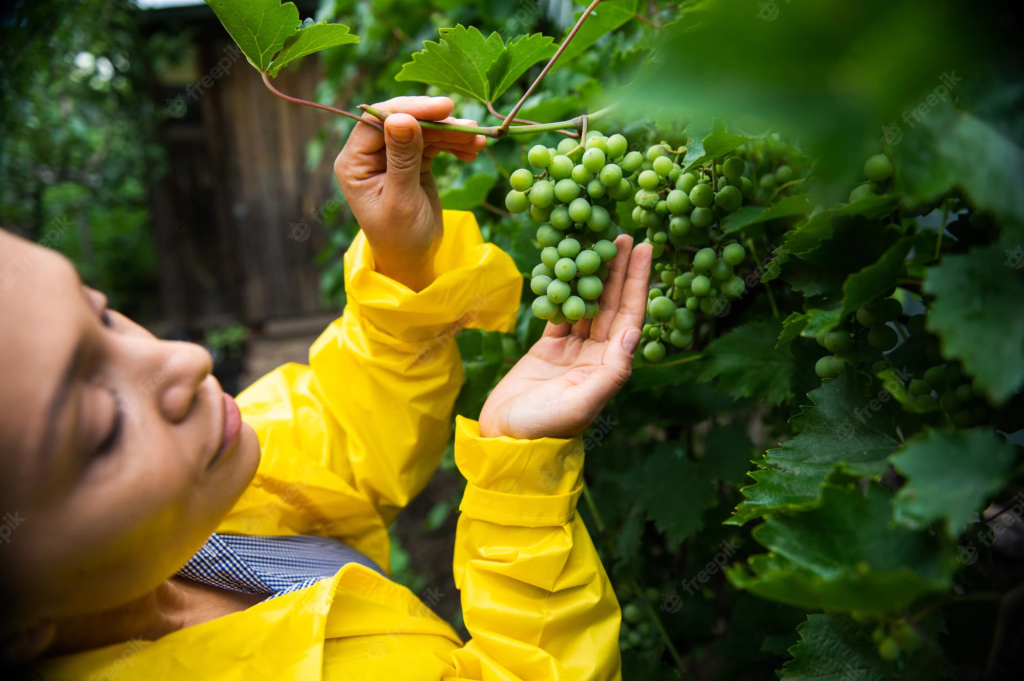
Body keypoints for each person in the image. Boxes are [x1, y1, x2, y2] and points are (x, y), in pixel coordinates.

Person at [0, 96, 651, 680]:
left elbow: (339, 438)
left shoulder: (190, 517)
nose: (183, 358)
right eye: (101, 424)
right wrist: (524, 498)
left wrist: (403, 269)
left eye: (104, 315)